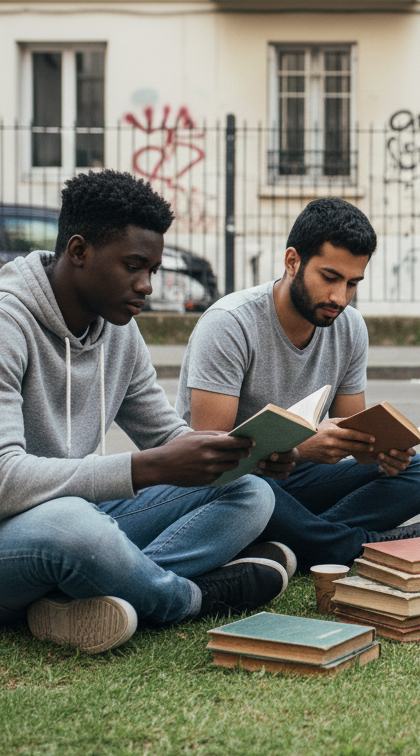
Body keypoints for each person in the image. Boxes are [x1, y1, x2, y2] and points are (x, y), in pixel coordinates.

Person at [0, 170, 289, 655]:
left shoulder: (118, 327)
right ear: (79, 251)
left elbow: (164, 435)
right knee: (75, 527)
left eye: (152, 270)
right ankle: (189, 598)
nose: (147, 286)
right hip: (26, 534)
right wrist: (147, 468)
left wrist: (238, 454)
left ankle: (90, 596)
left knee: (251, 492)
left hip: (83, 520)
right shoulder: (8, 324)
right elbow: (5, 478)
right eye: (134, 266)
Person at [177, 197, 420, 570]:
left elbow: (355, 432)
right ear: (293, 262)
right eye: (330, 278)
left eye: (352, 283)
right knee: (251, 490)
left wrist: (383, 450)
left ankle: (296, 540)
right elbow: (211, 457)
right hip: (235, 484)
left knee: (418, 474)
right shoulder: (230, 323)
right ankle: (349, 547)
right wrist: (302, 447)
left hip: (294, 483)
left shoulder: (350, 326)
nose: (340, 297)